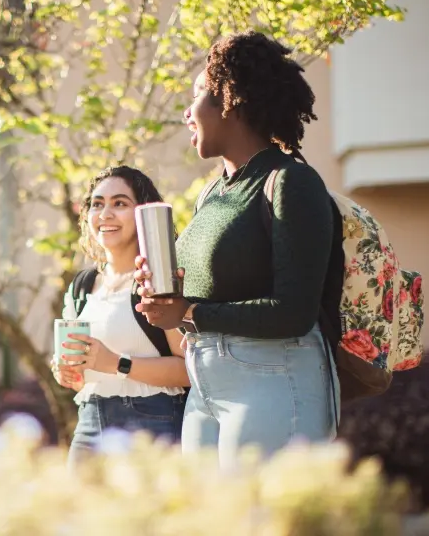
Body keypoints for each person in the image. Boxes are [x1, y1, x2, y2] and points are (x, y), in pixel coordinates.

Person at [134, 31, 339, 465]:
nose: (187, 114)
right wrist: (163, 293)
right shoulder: (213, 195)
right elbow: (205, 292)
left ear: (233, 99)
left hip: (273, 377)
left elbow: (294, 312)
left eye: (198, 95)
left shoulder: (290, 182)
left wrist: (188, 312)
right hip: (206, 384)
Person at [53, 166, 190, 468]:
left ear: (142, 213)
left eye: (120, 203)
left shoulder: (157, 280)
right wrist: (64, 372)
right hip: (89, 422)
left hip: (151, 423)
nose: (105, 214)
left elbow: (189, 370)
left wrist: (117, 363)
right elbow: (79, 376)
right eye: (97, 204)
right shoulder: (82, 285)